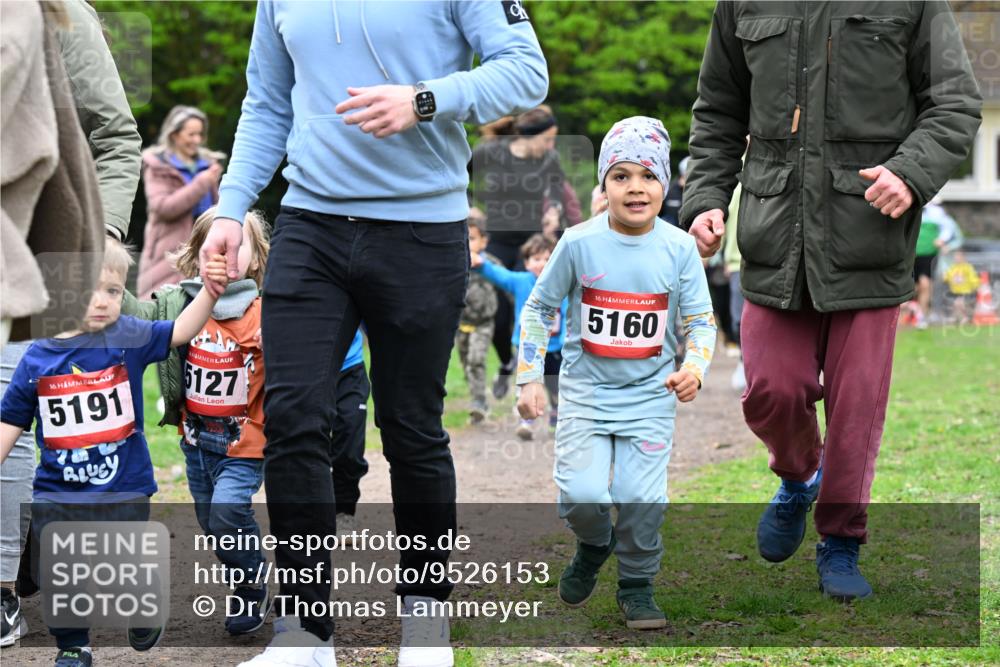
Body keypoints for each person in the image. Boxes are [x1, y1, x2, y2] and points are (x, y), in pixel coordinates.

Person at [197, 2, 548, 665]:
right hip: (310, 224)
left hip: (421, 228)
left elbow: (526, 73)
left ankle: (424, 624)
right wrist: (232, 205)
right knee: (294, 416)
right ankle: (303, 632)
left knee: (411, 426)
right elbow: (268, 102)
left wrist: (424, 100)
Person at [680, 1, 981, 601]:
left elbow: (954, 104)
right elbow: (718, 112)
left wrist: (910, 172)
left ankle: (841, 540)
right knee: (770, 389)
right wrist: (706, 198)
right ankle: (798, 477)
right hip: (773, 238)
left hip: (868, 236)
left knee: (856, 408)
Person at [516, 116, 717, 629]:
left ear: (664, 185)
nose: (635, 188)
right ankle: (593, 544)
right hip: (583, 396)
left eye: (648, 176)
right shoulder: (579, 242)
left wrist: (693, 366)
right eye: (621, 175)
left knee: (642, 501)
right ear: (604, 183)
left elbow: (699, 320)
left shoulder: (678, 249)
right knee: (584, 497)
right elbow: (540, 308)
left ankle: (637, 587)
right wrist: (530, 376)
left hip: (650, 399)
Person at [0, 238, 229, 667]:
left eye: (114, 291)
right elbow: (10, 422)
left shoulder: (128, 336)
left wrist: (211, 294)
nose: (105, 301)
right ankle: (73, 644)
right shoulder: (35, 360)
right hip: (57, 491)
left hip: (124, 486)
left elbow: (180, 330)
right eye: (92, 290)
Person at [2, 0, 138, 644]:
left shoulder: (58, 13)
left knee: (18, 419)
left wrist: (99, 243)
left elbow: (115, 135)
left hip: (39, 252)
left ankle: (4, 587)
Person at [123, 207, 273, 637]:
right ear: (197, 255)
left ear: (257, 258)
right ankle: (243, 569)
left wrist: (280, 337)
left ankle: (250, 583)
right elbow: (137, 316)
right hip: (195, 442)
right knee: (213, 524)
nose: (226, 252)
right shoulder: (176, 303)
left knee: (226, 515)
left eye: (238, 244)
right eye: (216, 244)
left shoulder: (268, 312)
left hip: (244, 443)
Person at [471, 106, 566, 401]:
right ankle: (506, 362)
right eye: (548, 139)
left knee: (532, 310)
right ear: (531, 136)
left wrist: (554, 211)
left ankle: (536, 377)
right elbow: (456, 175)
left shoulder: (549, 159)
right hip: (497, 241)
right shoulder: (490, 153)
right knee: (498, 318)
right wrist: (467, 204)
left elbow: (559, 193)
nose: (551, 146)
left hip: (530, 245)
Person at [472, 234, 566, 438]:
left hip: (556, 347)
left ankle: (556, 416)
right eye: (537, 259)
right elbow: (500, 275)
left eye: (548, 259)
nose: (542, 264)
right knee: (526, 384)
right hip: (527, 348)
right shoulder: (521, 282)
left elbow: (569, 316)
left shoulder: (563, 285)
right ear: (526, 262)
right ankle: (526, 421)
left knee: (555, 386)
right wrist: (481, 264)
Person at [137, 105, 222, 299]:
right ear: (174, 134)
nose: (197, 140)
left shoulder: (207, 165)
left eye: (200, 134)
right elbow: (163, 207)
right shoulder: (158, 165)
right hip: (166, 251)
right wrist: (202, 183)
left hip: (204, 249)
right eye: (191, 134)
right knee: (162, 308)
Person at [457, 210, 498, 424]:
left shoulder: (490, 264)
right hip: (461, 324)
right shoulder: (456, 263)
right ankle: (476, 394)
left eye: (472, 238)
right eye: (464, 238)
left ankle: (479, 402)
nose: (467, 243)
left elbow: (508, 285)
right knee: (466, 363)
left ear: (483, 241)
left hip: (483, 323)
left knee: (476, 359)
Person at [912, 199, 960, 328]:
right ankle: (915, 312)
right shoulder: (910, 208)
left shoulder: (936, 213)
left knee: (925, 284)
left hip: (928, 255)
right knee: (913, 288)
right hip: (910, 255)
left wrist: (942, 240)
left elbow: (948, 228)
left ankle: (922, 317)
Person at [943, 250, 979, 324]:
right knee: (956, 305)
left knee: (959, 303)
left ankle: (964, 318)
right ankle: (960, 318)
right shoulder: (953, 267)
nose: (956, 258)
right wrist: (945, 276)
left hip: (966, 291)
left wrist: (975, 286)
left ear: (963, 257)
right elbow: (947, 276)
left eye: (958, 256)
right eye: (955, 256)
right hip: (956, 291)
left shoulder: (967, 267)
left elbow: (973, 277)